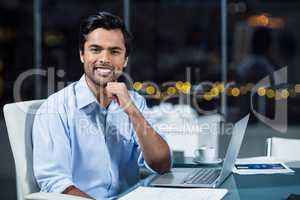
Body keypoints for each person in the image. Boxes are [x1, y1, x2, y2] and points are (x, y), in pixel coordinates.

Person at [32, 11, 172, 200]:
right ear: (82, 54)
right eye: (96, 49)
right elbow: (56, 184)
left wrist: (132, 111)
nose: (105, 59)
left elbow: (162, 164)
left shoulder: (135, 102)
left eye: (114, 51)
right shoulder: (55, 109)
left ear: (125, 59)